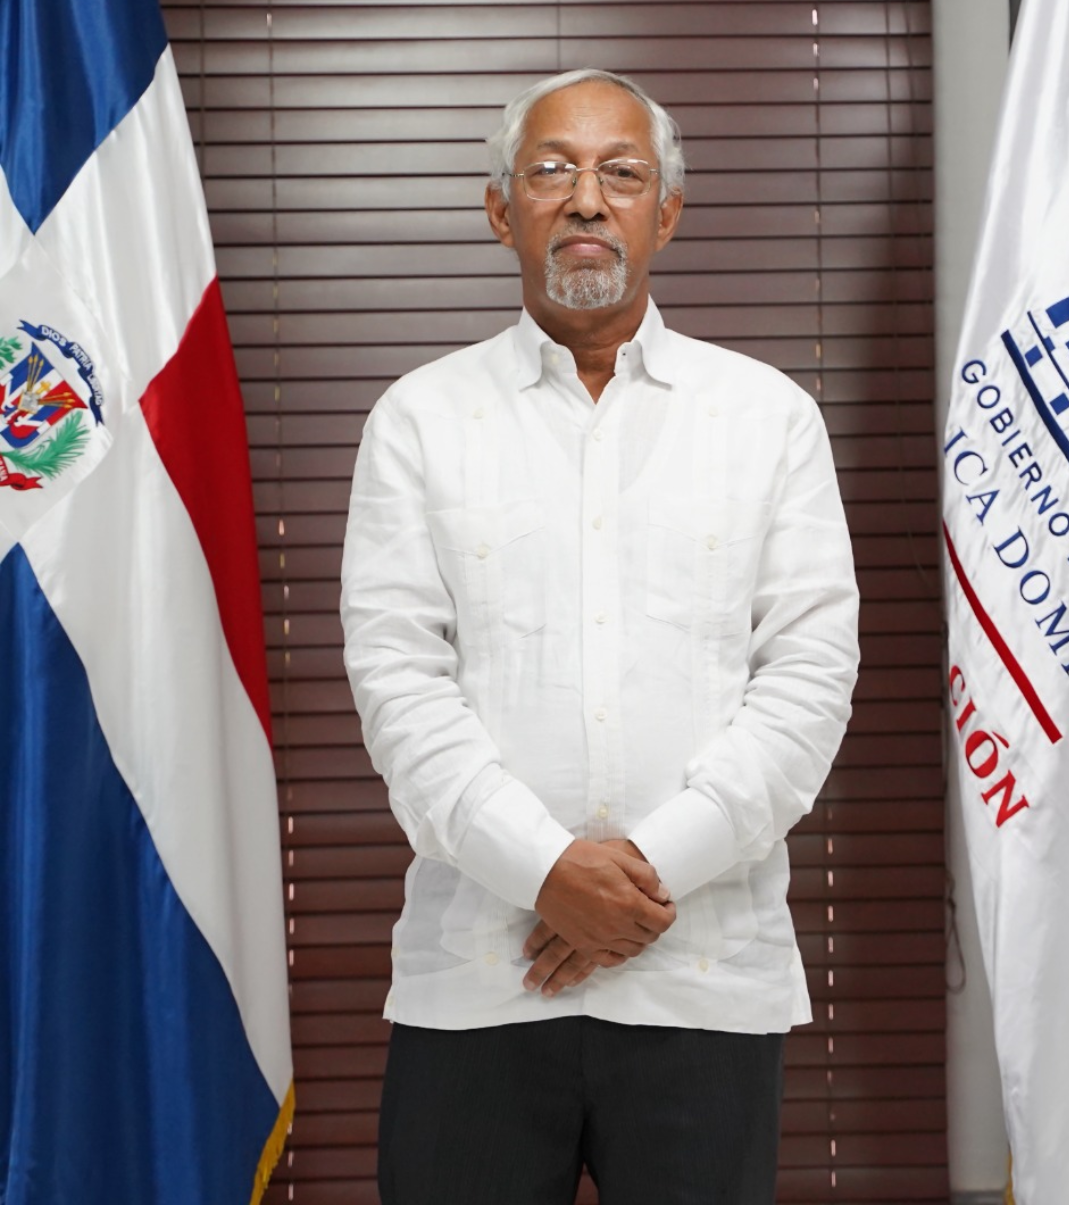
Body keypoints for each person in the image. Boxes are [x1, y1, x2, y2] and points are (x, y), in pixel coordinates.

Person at [341, 67, 859, 1205]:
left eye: (622, 174)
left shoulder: (766, 419)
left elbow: (808, 681)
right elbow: (398, 682)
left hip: (704, 983)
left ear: (665, 212)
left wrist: (636, 878)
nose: (587, 199)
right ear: (499, 207)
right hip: (477, 981)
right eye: (552, 170)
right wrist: (545, 871)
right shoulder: (419, 422)